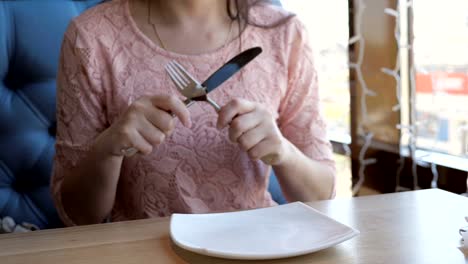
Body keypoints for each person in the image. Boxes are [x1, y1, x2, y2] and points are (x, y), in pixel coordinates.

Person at [52, 0, 336, 226]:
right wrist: (108, 149)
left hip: (258, 248)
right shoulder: (91, 37)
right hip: (140, 252)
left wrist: (283, 152)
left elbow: (323, 197)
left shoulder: (284, 34)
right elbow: (77, 216)